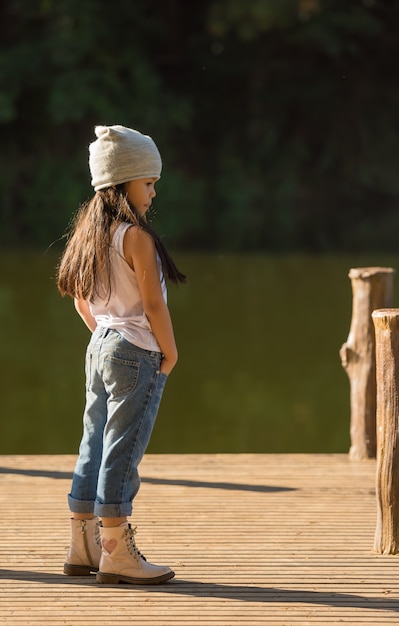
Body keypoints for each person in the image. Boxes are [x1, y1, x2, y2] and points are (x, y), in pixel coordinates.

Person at [56, 125, 186, 585]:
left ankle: (82, 542)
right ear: (124, 183)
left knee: (93, 442)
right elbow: (153, 306)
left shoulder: (90, 234)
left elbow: (79, 298)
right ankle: (116, 549)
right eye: (148, 183)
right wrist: (168, 355)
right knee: (123, 449)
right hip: (136, 350)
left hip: (101, 346)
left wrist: (105, 335)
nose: (152, 192)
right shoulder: (136, 238)